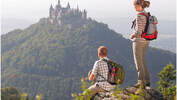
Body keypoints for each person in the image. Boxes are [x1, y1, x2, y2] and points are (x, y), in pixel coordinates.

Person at [130, 0, 151, 87]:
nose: (134, 8)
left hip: (138, 41)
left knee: (138, 62)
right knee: (143, 61)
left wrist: (133, 35)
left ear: (139, 5)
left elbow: (139, 30)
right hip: (146, 41)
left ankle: (140, 82)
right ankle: (147, 81)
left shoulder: (139, 15)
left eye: (135, 6)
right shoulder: (146, 14)